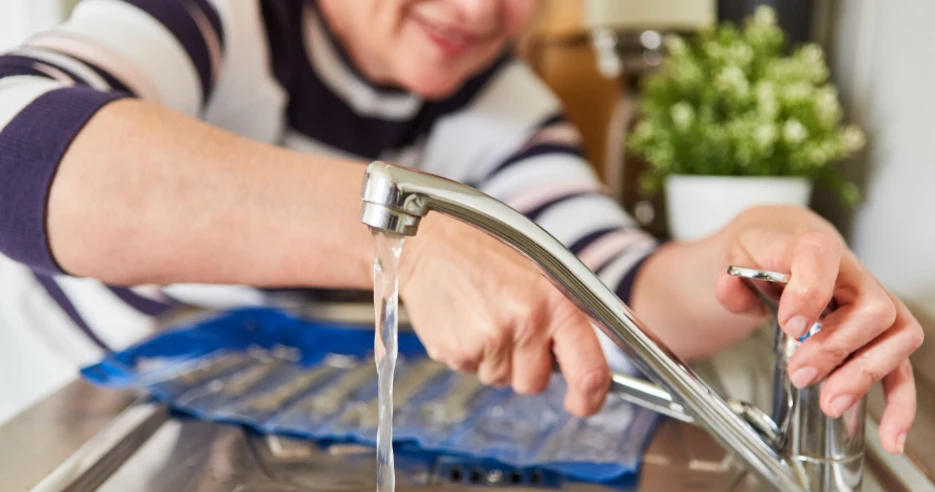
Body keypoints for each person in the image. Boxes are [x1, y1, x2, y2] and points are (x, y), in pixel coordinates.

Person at [0, 0, 921, 455]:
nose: (478, 10)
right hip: (86, 428)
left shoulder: (499, 103)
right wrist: (409, 236)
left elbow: (618, 293)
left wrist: (760, 240)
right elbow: (14, 139)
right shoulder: (215, 20)